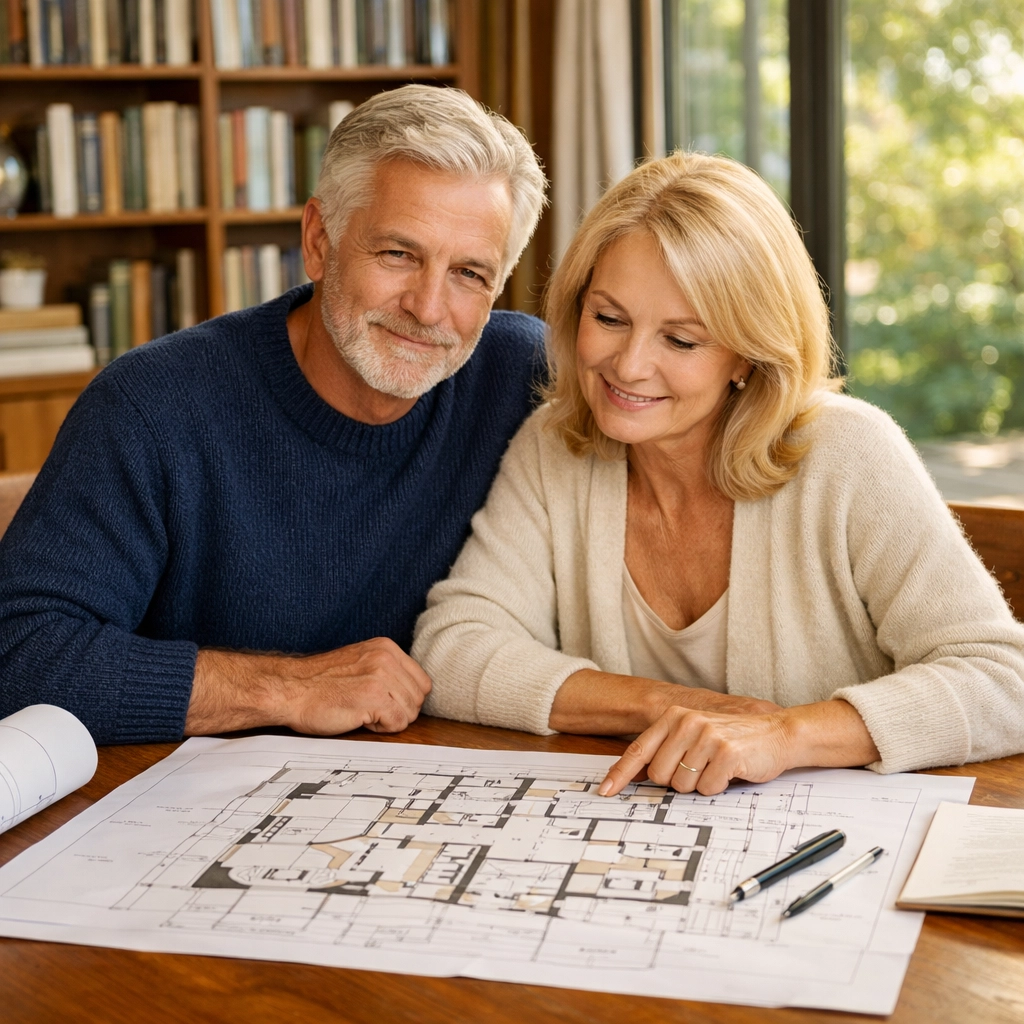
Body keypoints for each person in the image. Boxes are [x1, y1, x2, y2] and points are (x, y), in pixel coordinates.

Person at [412, 151, 1024, 797]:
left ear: (747, 355)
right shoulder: (553, 444)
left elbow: (1004, 681)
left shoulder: (849, 453)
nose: (629, 366)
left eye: (681, 340)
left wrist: (787, 735)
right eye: (609, 318)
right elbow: (453, 649)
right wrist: (670, 707)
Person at [0, 85, 548, 745]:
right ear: (318, 241)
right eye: (398, 254)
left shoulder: (525, 379)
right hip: (187, 796)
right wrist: (285, 688)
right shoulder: (152, 405)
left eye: (469, 274)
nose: (428, 309)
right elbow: (19, 653)